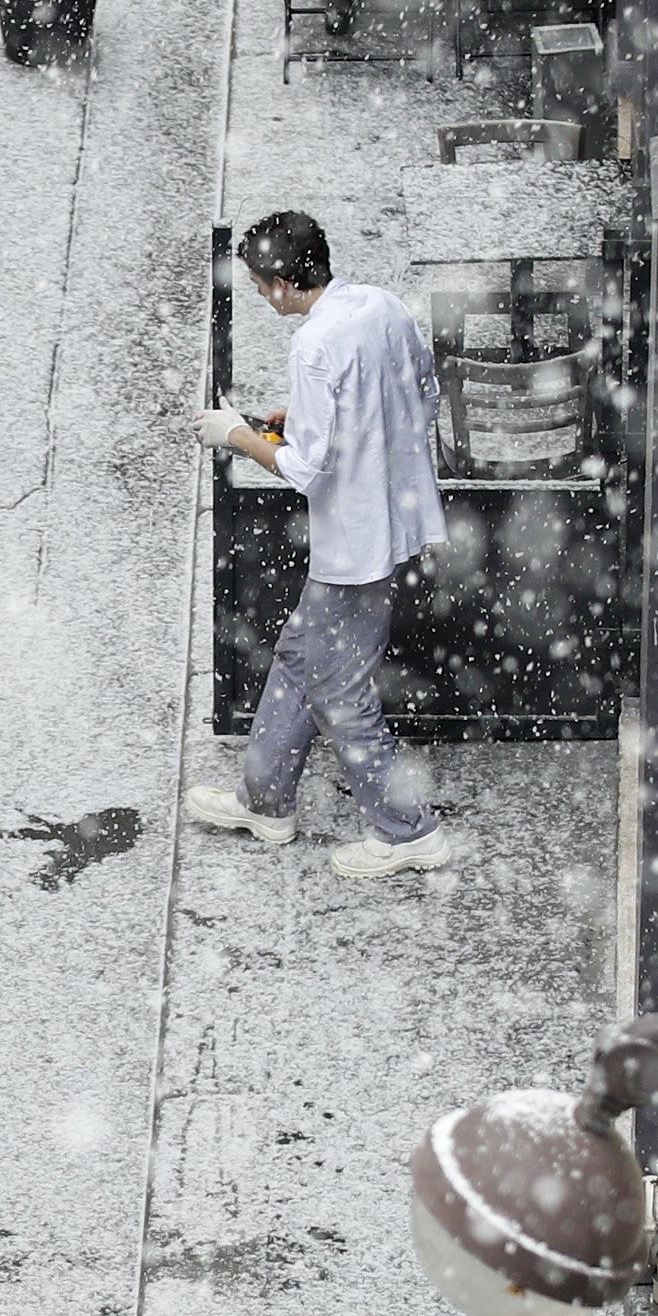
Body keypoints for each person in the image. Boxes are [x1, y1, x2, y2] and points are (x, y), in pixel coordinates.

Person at [186, 208, 459, 877]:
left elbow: (305, 469)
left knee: (340, 691)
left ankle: (405, 830)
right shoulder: (382, 307)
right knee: (302, 655)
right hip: (397, 515)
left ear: (281, 284)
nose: (258, 294)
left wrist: (238, 434)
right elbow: (420, 391)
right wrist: (305, 418)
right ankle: (265, 798)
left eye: (258, 283)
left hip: (352, 546)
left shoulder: (311, 346)